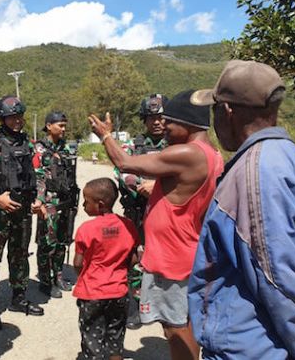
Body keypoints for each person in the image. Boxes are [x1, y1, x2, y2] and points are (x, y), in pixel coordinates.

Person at [188, 60, 295, 360]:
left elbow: (278, 280)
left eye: (214, 109)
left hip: (252, 349)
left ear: (227, 112)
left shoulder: (254, 173)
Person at [89, 90, 224, 360]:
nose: (165, 128)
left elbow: (124, 162)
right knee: (180, 322)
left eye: (169, 122)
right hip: (183, 250)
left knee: (176, 327)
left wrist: (105, 135)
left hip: (172, 260)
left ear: (187, 124)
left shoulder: (189, 153)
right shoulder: (211, 153)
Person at [0, 95, 44, 330]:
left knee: (20, 255)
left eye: (19, 116)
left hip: (23, 211)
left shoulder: (29, 144)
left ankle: (18, 296)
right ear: (1, 118)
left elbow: (39, 175)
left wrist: (38, 199)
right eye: (11, 117)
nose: (17, 121)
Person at [114, 93, 168, 329]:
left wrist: (159, 187)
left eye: (161, 117)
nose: (157, 122)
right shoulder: (132, 145)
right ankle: (135, 305)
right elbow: (121, 168)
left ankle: (166, 307)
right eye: (152, 118)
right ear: (144, 120)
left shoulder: (177, 144)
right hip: (138, 211)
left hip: (169, 213)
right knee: (135, 259)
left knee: (169, 259)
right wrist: (139, 185)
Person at [73, 178, 139, 360]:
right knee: (115, 338)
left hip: (93, 293)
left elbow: (78, 263)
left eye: (86, 201)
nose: (83, 204)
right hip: (119, 292)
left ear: (100, 205)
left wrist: (84, 277)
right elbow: (134, 258)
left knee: (92, 340)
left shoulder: (86, 229)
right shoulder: (128, 225)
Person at [33, 111, 79, 299]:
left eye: (65, 125)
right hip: (49, 202)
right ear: (49, 125)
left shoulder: (66, 148)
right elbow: (37, 177)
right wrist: (40, 202)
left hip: (65, 202)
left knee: (62, 241)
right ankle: (45, 280)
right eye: (60, 125)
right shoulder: (40, 149)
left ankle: (58, 275)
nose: (63, 129)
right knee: (46, 243)